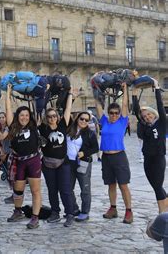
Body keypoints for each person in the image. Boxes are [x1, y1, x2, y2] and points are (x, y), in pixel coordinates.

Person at [95, 82, 133, 224]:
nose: (114, 115)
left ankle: (129, 211)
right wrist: (96, 89)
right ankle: (113, 208)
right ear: (108, 113)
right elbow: (98, 105)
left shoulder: (122, 122)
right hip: (106, 157)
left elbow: (124, 105)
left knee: (123, 185)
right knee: (111, 184)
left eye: (116, 113)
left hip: (119, 157)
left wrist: (125, 89)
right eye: (111, 113)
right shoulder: (104, 121)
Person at [6, 85, 42, 229]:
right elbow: (8, 110)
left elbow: (39, 107)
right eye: (22, 115)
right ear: (17, 117)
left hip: (33, 161)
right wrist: (8, 93)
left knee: (35, 191)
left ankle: (35, 218)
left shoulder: (34, 127)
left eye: (26, 115)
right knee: (18, 190)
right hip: (19, 162)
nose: (24, 117)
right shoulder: (13, 128)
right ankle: (18, 211)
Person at [37, 90, 74, 226]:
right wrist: (43, 95)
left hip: (63, 163)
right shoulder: (43, 129)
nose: (52, 118)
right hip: (47, 164)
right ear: (46, 118)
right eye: (49, 116)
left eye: (54, 116)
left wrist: (69, 94)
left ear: (57, 117)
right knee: (52, 189)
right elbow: (38, 112)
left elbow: (68, 109)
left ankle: (69, 213)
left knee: (65, 189)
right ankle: (55, 212)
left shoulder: (63, 125)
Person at [132, 79, 167, 213]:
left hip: (158, 159)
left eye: (149, 114)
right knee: (155, 186)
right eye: (145, 116)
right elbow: (136, 111)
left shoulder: (162, 123)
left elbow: (160, 106)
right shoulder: (144, 126)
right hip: (148, 160)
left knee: (158, 186)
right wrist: (134, 94)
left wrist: (157, 88)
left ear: (153, 114)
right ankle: (166, 206)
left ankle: (162, 213)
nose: (147, 117)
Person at [66, 111, 99, 223]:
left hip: (83, 163)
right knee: (68, 188)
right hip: (69, 163)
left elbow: (95, 148)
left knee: (84, 189)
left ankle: (85, 212)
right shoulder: (69, 129)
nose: (84, 121)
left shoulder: (90, 133)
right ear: (77, 119)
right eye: (82, 119)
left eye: (86, 120)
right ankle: (74, 209)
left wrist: (84, 153)